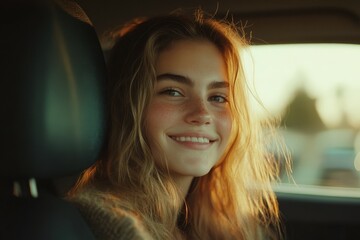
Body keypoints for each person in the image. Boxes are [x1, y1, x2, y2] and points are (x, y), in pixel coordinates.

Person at [68, 10, 285, 240]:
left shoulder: (219, 223)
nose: (202, 114)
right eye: (173, 92)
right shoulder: (107, 223)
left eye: (218, 97)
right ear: (126, 104)